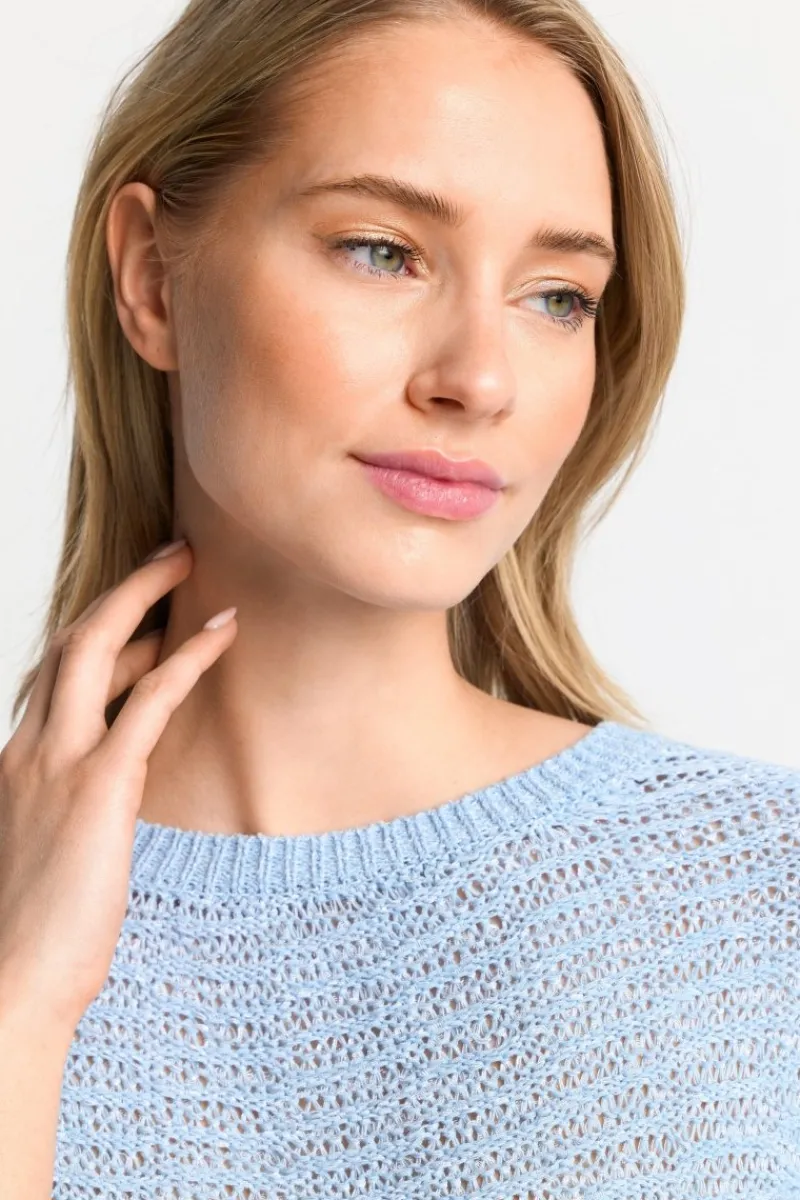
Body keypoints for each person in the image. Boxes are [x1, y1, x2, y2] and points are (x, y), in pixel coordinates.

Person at [1, 0, 798, 1195]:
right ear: (152, 280)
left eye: (556, 296)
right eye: (382, 251)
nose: (479, 379)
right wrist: (23, 1000)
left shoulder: (759, 890)